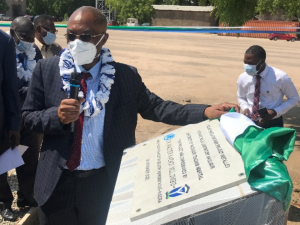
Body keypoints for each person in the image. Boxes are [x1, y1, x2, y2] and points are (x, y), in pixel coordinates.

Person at [22, 6, 240, 225]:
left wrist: (204, 111)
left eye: (86, 36)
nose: (77, 42)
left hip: (102, 184)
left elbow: (157, 107)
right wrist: (56, 116)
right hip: (57, 183)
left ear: (103, 38)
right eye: (71, 36)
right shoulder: (46, 70)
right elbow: (28, 117)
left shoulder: (125, 76)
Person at [0, 17, 44, 220]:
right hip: (9, 116)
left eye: (30, 36)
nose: (29, 40)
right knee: (4, 163)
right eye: (24, 37)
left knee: (28, 158)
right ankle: (4, 201)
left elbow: (40, 78)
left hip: (29, 116)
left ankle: (27, 195)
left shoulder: (34, 52)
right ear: (13, 33)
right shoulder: (8, 47)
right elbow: (10, 88)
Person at [237, 45, 299, 129]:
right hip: (250, 122)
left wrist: (275, 112)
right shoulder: (243, 77)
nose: (247, 66)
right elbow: (241, 97)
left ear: (262, 61)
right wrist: (246, 108)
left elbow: (294, 98)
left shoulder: (280, 77)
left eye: (251, 64)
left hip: (273, 122)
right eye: (245, 63)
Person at [0, 30, 21, 221]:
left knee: (1, 163)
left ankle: (5, 202)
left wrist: (14, 123)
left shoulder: (4, 41)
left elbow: (10, 85)